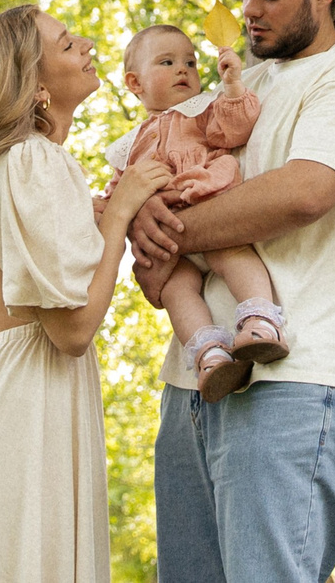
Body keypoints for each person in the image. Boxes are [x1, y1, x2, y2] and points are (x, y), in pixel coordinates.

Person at [132, 0, 335, 583]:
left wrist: (167, 226)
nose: (251, 9)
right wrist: (137, 206)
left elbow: (306, 191)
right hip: (192, 379)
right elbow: (158, 164)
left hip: (293, 377)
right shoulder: (238, 88)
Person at [0, 2, 174, 583]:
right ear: (34, 85)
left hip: (13, 400)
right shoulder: (33, 160)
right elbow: (73, 329)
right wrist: (122, 211)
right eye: (65, 44)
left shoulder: (12, 165)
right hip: (26, 414)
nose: (86, 43)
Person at [103, 23, 290, 401]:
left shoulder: (201, 109)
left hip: (208, 207)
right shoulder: (128, 146)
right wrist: (105, 208)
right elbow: (117, 195)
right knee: (176, 288)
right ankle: (210, 355)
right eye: (167, 62)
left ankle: (261, 322)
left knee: (232, 252)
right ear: (134, 83)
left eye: (190, 61)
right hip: (172, 243)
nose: (183, 69)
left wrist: (233, 87)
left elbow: (235, 129)